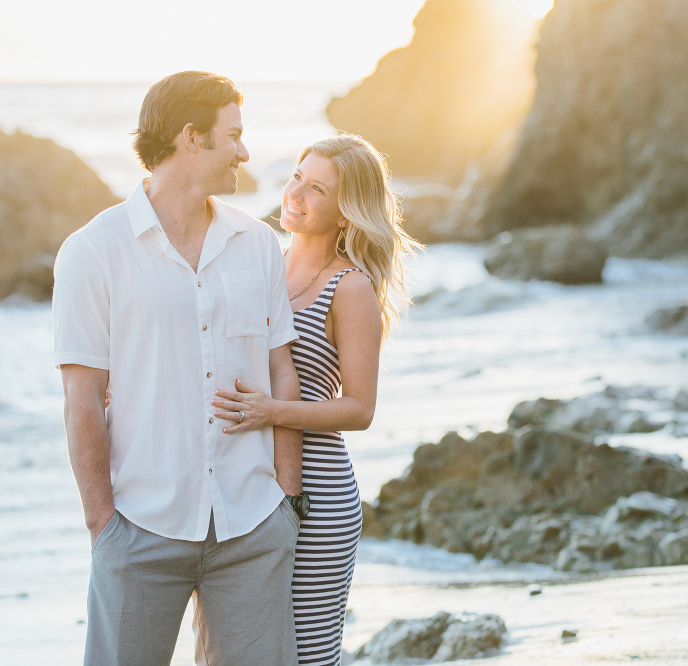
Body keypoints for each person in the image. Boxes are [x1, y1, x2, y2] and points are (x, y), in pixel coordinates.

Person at [52, 71, 303, 666]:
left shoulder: (258, 244)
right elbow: (81, 398)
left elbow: (281, 371)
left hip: (252, 526)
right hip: (139, 529)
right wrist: (103, 525)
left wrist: (287, 504)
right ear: (192, 138)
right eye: (234, 135)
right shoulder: (93, 251)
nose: (246, 151)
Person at [210, 134, 420, 665]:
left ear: (346, 213)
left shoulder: (349, 289)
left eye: (317, 189)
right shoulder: (262, 262)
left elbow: (360, 409)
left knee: (308, 655)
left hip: (320, 501)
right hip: (248, 490)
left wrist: (270, 411)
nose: (295, 194)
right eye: (296, 177)